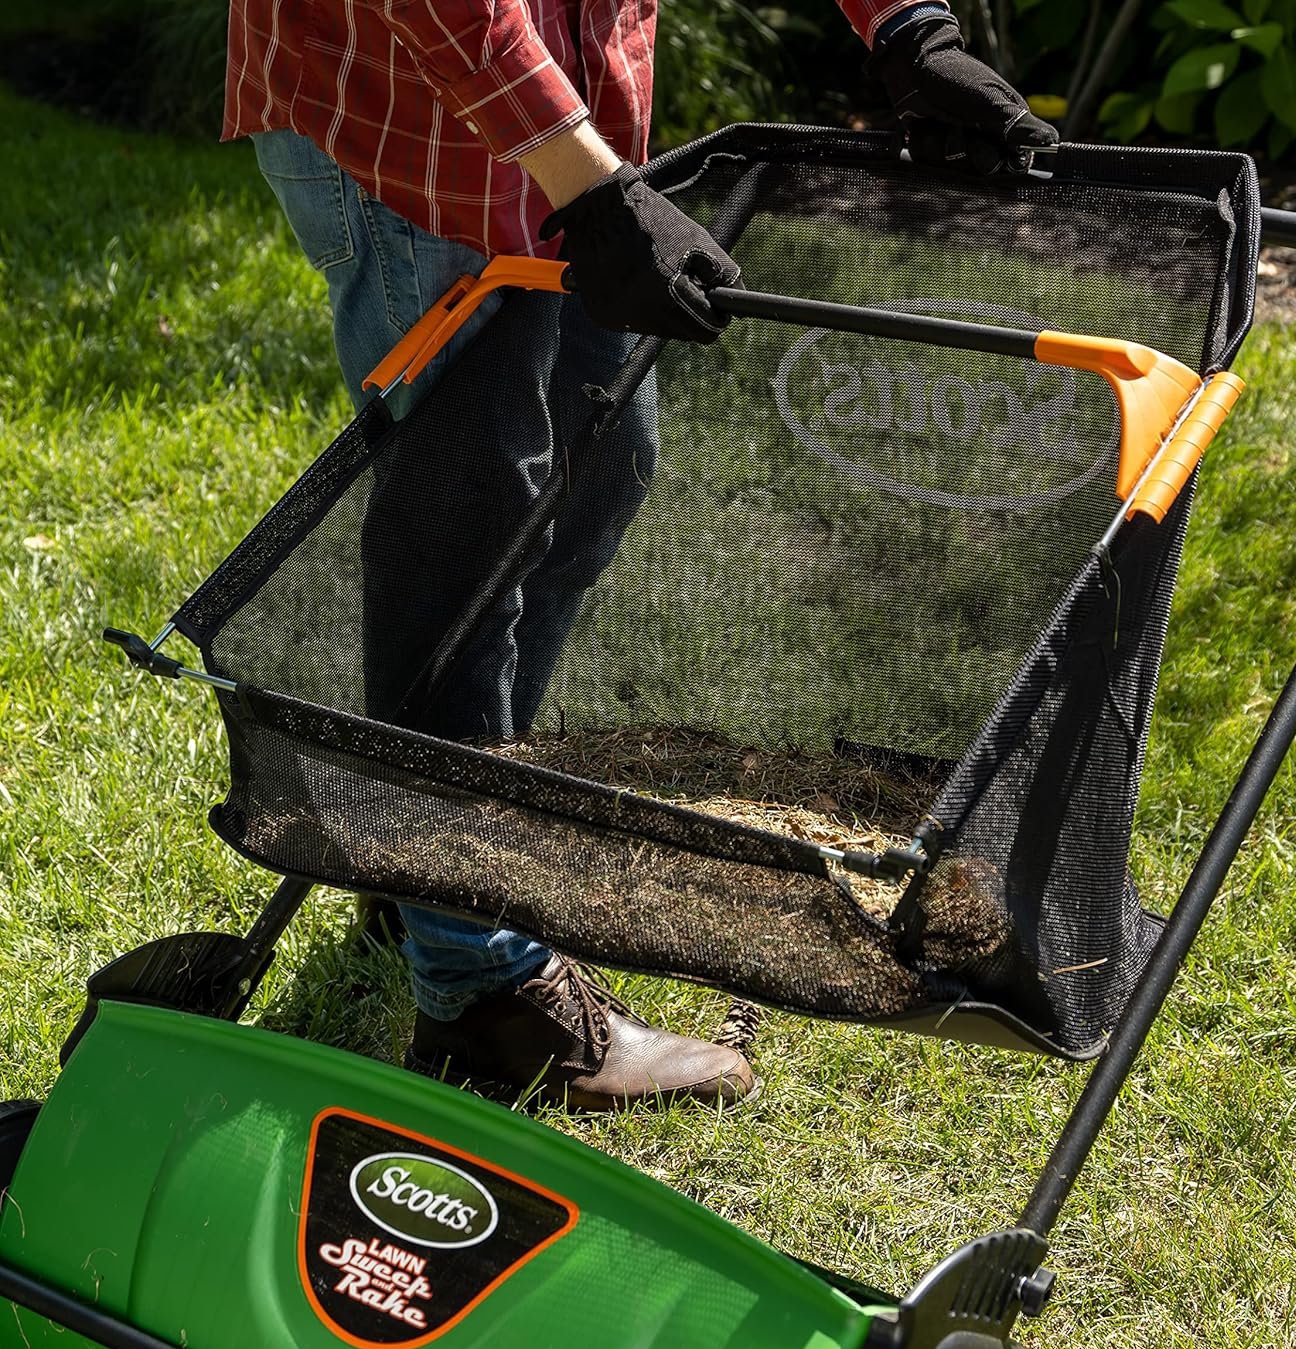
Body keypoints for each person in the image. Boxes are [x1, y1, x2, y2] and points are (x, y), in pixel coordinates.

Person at [223, 0, 1056, 1114]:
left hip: (576, 123)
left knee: (601, 469)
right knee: (465, 533)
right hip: (412, 125)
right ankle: (481, 989)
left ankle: (431, 859)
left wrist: (906, 28)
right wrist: (593, 190)